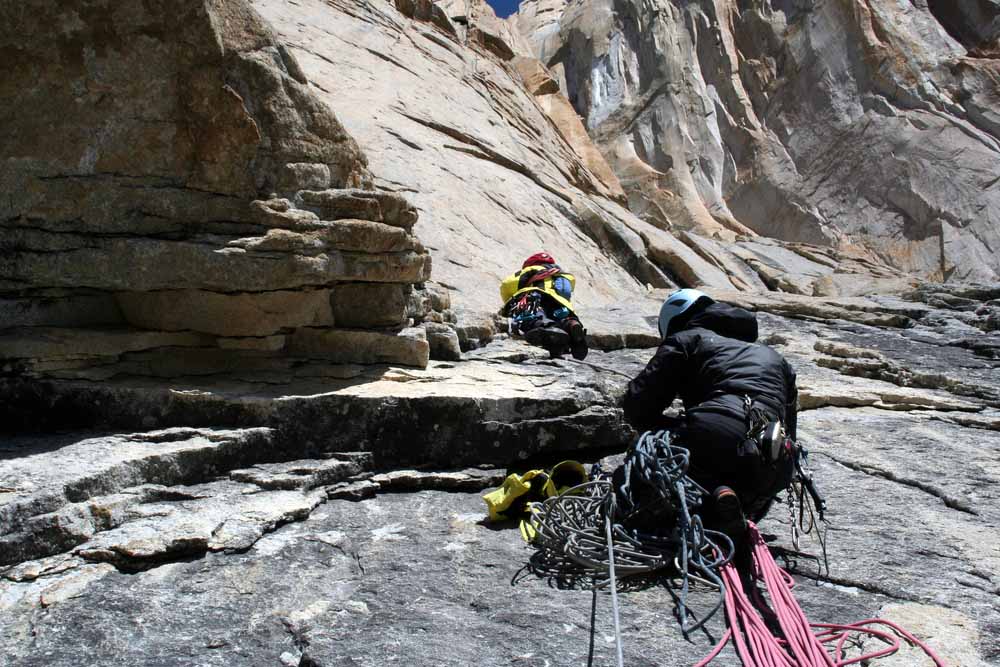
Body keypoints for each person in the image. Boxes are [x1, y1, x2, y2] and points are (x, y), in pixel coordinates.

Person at [621, 288, 797, 552]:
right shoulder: (775, 357)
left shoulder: (686, 339)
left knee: (649, 451)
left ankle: (714, 497)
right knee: (730, 468)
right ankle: (725, 497)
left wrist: (666, 429)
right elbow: (790, 427)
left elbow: (639, 406)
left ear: (675, 321)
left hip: (716, 429)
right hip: (773, 460)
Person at [500, 252, 588, 360]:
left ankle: (544, 326)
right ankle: (570, 325)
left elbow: (506, 285)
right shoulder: (564, 275)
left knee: (531, 313)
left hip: (534, 296)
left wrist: (509, 302)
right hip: (560, 304)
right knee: (562, 317)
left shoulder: (531, 270)